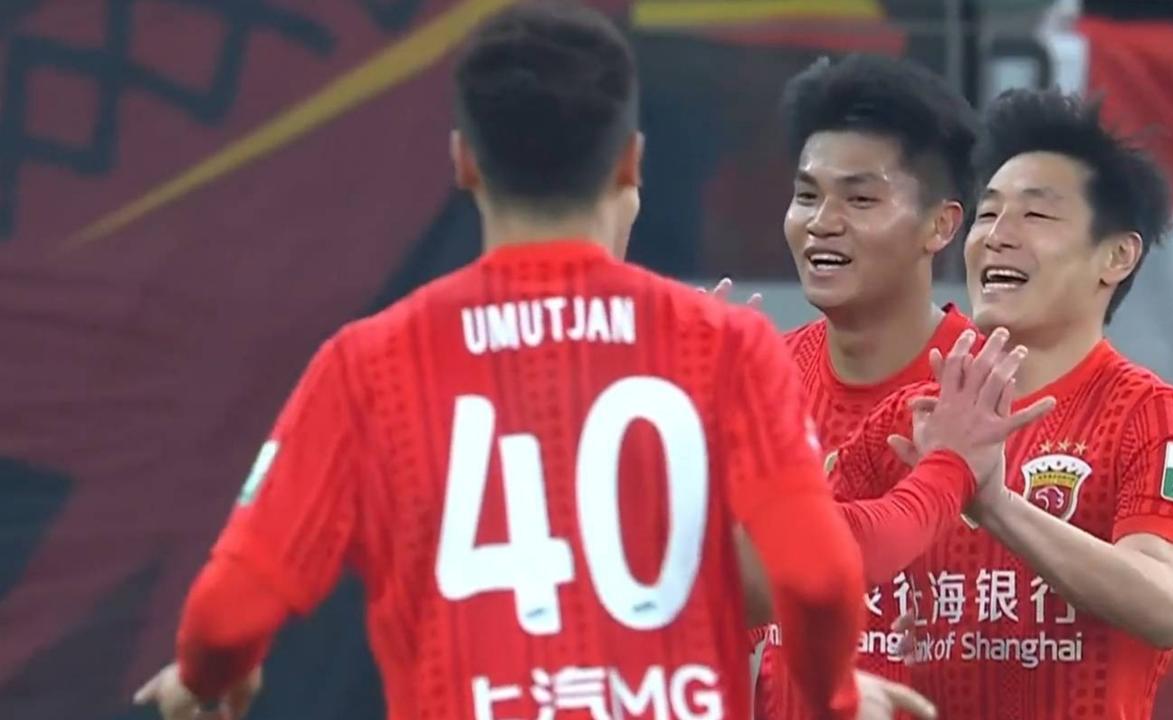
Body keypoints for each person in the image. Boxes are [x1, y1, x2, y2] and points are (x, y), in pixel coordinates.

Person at [129, 3, 942, 719]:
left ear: (463, 163)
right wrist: (836, 696)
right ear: (630, 162)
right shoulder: (725, 346)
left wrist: (207, 679)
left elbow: (225, 614)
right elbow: (819, 579)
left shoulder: (369, 363)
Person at [833, 88, 1173, 719]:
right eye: (987, 214)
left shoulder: (1151, 414)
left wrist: (996, 505)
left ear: (1116, 256)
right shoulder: (909, 418)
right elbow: (781, 568)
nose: (996, 237)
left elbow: (1168, 604)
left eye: (1036, 215)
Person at [745, 52, 982, 720]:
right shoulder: (756, 385)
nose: (822, 221)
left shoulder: (991, 396)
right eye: (807, 195)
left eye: (860, 198)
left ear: (941, 225)